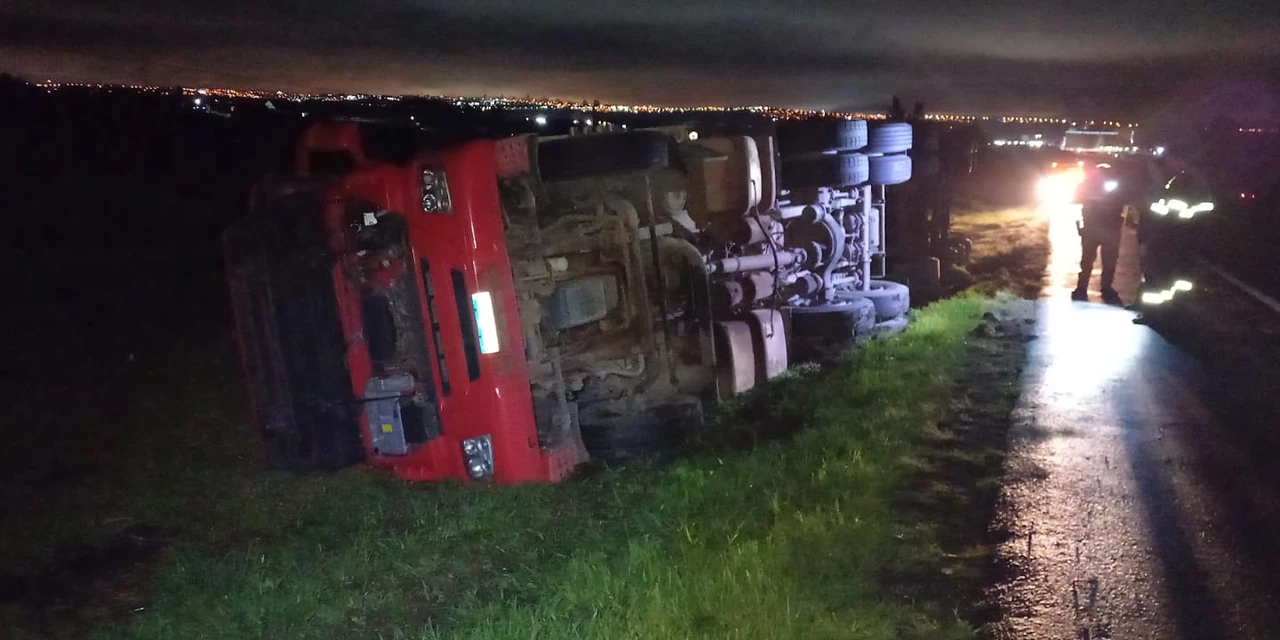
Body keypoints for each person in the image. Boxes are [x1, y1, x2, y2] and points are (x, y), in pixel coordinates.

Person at [1072, 163, 1126, 304]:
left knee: (1092, 260)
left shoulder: (1090, 185)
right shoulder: (1093, 185)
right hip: (1102, 228)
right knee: (1100, 261)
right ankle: (1100, 289)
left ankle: (1084, 288)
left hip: (1099, 228)